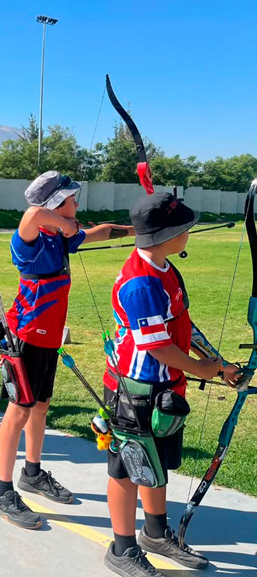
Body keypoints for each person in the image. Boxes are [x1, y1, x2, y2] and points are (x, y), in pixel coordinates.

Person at [101, 192, 240, 577]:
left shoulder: (164, 269)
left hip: (163, 389)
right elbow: (158, 347)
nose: (189, 232)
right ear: (167, 235)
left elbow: (181, 323)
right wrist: (201, 368)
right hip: (135, 389)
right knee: (128, 469)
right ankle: (121, 548)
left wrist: (220, 364)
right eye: (184, 228)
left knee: (156, 464)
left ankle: (155, 532)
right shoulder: (141, 283)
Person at [0, 170, 135, 529]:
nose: (76, 205)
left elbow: (100, 231)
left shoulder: (57, 239)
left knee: (40, 408)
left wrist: (138, 231)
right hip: (25, 338)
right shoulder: (31, 241)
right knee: (18, 411)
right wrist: (64, 225)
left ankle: (32, 473)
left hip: (49, 339)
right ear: (56, 204)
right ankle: (1, 491)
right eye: (71, 200)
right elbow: (32, 214)